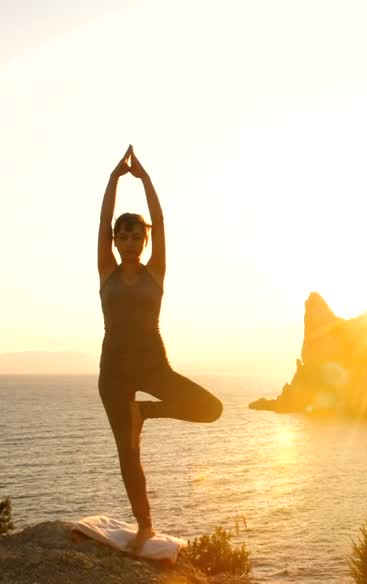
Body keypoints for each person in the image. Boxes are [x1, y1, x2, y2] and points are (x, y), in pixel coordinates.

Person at [96, 145, 222, 549]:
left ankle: (145, 412)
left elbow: (162, 221)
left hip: (154, 366)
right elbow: (100, 221)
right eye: (124, 235)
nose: (131, 241)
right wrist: (114, 179)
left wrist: (146, 179)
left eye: (137, 235)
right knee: (128, 454)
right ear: (115, 241)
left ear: (145, 241)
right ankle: (144, 525)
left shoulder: (156, 272)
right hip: (114, 371)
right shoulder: (106, 271)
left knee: (210, 408)